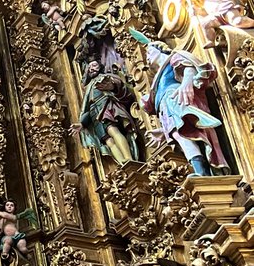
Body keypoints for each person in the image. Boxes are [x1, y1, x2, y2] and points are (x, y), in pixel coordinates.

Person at [133, 30, 229, 176]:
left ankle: (205, 172)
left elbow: (190, 68)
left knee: (190, 131)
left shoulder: (174, 58)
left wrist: (186, 82)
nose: (147, 57)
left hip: (177, 99)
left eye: (149, 52)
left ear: (160, 48)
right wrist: (162, 131)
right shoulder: (158, 79)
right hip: (167, 111)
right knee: (180, 137)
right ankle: (201, 172)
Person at [71, 60, 142, 166]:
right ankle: (124, 164)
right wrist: (82, 123)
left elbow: (121, 86)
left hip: (106, 106)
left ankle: (129, 158)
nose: (91, 68)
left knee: (113, 130)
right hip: (95, 113)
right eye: (89, 67)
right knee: (108, 141)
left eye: (94, 65)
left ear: (100, 67)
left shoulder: (107, 77)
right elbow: (87, 108)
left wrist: (112, 87)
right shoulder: (89, 86)